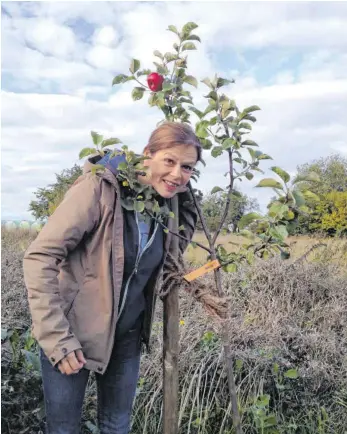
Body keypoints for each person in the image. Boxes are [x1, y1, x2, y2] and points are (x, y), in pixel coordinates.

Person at [23, 121, 202, 434]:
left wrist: (185, 200)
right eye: (169, 161)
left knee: (116, 426)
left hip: (126, 335)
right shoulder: (98, 189)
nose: (177, 174)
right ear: (148, 154)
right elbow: (40, 257)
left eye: (187, 167)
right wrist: (56, 337)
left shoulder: (166, 201)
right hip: (72, 332)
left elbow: (173, 250)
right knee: (63, 428)